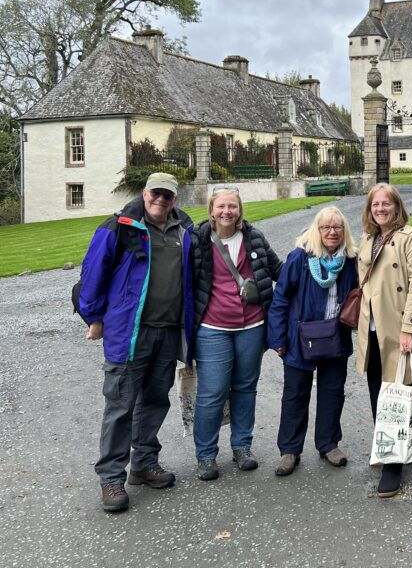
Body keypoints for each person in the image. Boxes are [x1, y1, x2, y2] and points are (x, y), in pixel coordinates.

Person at [78, 172, 195, 513]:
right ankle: (111, 477)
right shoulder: (118, 227)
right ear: (144, 194)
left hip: (168, 330)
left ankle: (144, 463)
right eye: (156, 193)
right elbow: (92, 274)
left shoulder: (184, 230)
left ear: (175, 199)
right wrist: (94, 318)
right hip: (129, 331)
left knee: (156, 400)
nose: (161, 199)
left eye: (168, 196)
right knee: (120, 405)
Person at [190, 185, 283, 481]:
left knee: (245, 388)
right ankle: (206, 454)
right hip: (213, 328)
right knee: (212, 392)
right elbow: (180, 279)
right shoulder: (197, 239)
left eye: (232, 206)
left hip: (252, 327)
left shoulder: (253, 237)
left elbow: (281, 270)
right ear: (212, 210)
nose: (227, 212)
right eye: (221, 207)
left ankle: (242, 446)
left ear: (240, 209)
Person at [355, 183, 412, 498]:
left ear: (397, 206)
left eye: (386, 204)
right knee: (379, 392)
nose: (380, 209)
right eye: (375, 204)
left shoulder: (411, 237)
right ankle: (387, 446)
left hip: (399, 329)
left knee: (396, 395)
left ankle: (393, 466)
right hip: (373, 330)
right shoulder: (367, 238)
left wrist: (410, 327)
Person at [266, 206, 359, 476]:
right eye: (326, 227)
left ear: (345, 231)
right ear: (316, 231)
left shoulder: (350, 260)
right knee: (295, 394)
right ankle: (289, 450)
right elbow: (280, 298)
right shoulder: (300, 258)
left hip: (335, 337)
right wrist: (278, 338)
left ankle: (328, 444)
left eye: (338, 227)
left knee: (332, 392)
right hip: (299, 338)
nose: (332, 232)